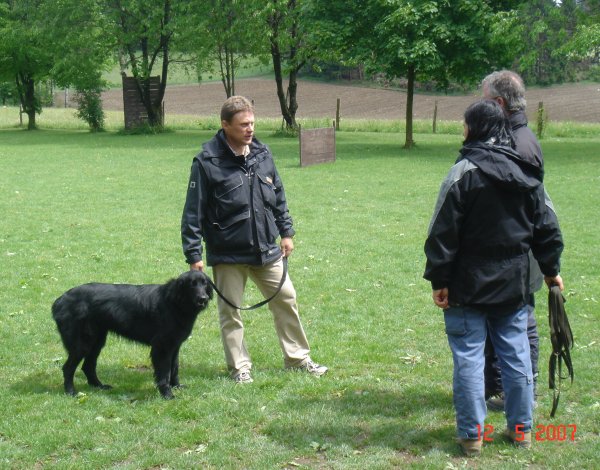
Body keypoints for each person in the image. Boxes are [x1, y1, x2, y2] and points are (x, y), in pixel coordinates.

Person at [423, 99, 564, 456]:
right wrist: (551, 271)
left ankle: (472, 436)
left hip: (466, 284)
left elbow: (442, 232)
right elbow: (546, 226)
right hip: (514, 283)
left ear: (475, 128)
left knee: (469, 358)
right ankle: (522, 430)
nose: (462, 130)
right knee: (516, 355)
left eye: (465, 124)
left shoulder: (463, 172)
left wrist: (440, 279)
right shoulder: (528, 173)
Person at [181, 95, 327, 384]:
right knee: (230, 312)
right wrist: (194, 254)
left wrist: (286, 231)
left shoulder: (262, 153)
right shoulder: (207, 161)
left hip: (266, 248)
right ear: (225, 125)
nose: (250, 129)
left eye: (252, 123)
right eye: (243, 124)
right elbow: (192, 210)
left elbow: (279, 195)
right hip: (227, 252)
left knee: (286, 298)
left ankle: (297, 359)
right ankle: (240, 368)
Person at [481, 70, 544, 410]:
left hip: (521, 249)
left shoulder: (518, 144)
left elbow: (534, 205)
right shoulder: (517, 137)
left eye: (483, 100)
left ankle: (519, 391)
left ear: (498, 103)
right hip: (519, 247)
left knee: (522, 323)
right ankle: (502, 387)